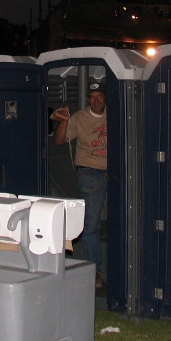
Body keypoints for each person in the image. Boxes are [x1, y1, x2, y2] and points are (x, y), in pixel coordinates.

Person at [51, 79, 107, 289]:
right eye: (92, 98)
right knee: (91, 225)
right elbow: (59, 140)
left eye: (99, 96)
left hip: (118, 172)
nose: (96, 101)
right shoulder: (79, 118)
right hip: (90, 173)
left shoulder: (117, 112)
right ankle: (95, 272)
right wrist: (64, 121)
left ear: (105, 98)